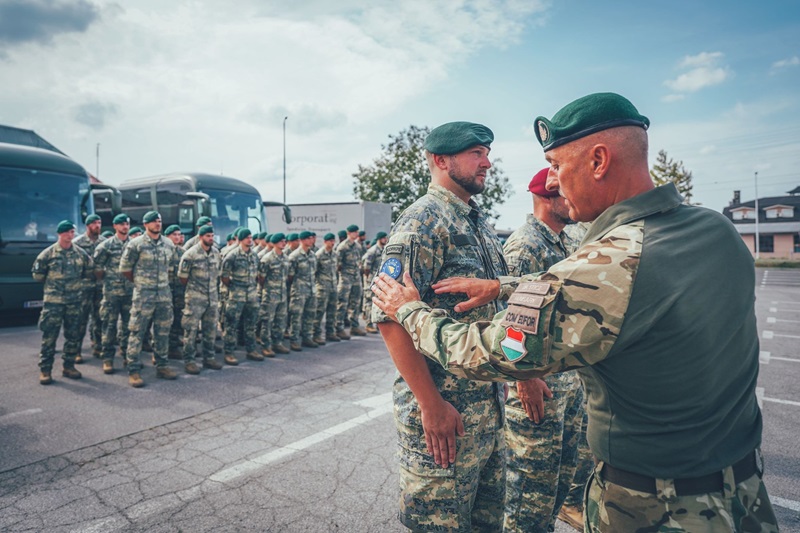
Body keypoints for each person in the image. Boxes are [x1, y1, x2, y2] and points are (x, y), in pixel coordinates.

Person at [372, 93, 779, 532]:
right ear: (440, 160)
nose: (553, 182)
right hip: (740, 495)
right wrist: (500, 291)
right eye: (477, 153)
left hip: (661, 508)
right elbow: (593, 289)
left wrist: (411, 309)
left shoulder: (615, 258)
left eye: (557, 166)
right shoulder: (716, 230)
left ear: (599, 160)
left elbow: (500, 344)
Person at [372, 121, 508, 531]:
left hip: (487, 412)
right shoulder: (423, 221)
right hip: (445, 414)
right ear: (440, 160)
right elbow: (389, 319)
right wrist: (430, 405)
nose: (487, 162)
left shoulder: (476, 221)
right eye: (476, 153)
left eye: (487, 153)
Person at [501, 168, 586, 532]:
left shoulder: (561, 240)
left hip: (565, 381)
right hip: (538, 385)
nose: (570, 200)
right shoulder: (525, 246)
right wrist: (525, 378)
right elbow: (510, 322)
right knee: (530, 490)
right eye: (564, 194)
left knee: (560, 477)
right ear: (546, 198)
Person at [120, 211, 179, 388]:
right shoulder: (135, 244)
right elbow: (125, 269)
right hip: (143, 296)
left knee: (162, 332)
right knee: (137, 333)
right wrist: (140, 283)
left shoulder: (168, 244)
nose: (157, 224)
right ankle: (134, 370)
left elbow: (171, 267)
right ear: (146, 224)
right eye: (153, 221)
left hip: (163, 296)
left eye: (159, 221)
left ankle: (162, 365)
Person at [31, 220, 94, 384]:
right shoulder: (48, 254)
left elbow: (89, 271)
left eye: (72, 232)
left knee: (73, 336)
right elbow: (37, 275)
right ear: (59, 234)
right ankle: (45, 370)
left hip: (74, 302)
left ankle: (69, 366)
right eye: (66, 232)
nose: (70, 235)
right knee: (49, 337)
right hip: (54, 303)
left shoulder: (80, 253)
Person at [178, 224, 223, 374]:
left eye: (212, 236)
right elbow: (182, 277)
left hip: (212, 297)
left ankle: (209, 358)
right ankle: (189, 361)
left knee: (210, 330)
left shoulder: (216, 253)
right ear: (200, 237)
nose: (211, 239)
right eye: (207, 236)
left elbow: (218, 274)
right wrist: (195, 290)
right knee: (190, 331)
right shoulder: (190, 254)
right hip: (195, 298)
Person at [93, 214, 134, 374]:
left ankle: (127, 356)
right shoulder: (106, 245)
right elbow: (97, 267)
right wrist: (107, 281)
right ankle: (108, 359)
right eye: (122, 224)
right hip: (111, 293)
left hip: (130, 293)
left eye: (127, 224)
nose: (125, 227)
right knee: (109, 326)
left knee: (128, 327)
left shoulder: (134, 245)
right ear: (115, 226)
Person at [220, 228, 263, 363]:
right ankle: (229, 353)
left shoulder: (254, 255)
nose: (250, 240)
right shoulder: (232, 256)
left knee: (251, 324)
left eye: (251, 237)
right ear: (241, 239)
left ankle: (251, 350)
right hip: (236, 295)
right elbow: (224, 276)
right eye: (247, 238)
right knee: (231, 325)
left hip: (251, 295)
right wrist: (234, 286)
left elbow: (257, 274)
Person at [73, 213, 106, 362]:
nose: (97, 226)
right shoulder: (77, 243)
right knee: (81, 319)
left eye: (99, 223)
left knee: (99, 318)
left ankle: (97, 346)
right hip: (83, 287)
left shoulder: (105, 242)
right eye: (94, 223)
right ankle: (76, 349)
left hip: (100, 286)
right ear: (88, 226)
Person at [258, 233, 290, 356]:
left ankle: (278, 343)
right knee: (267, 321)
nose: (284, 243)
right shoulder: (267, 259)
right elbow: (261, 278)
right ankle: (266, 346)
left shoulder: (285, 258)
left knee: (280, 320)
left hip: (282, 294)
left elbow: (286, 276)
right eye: (281, 241)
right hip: (270, 294)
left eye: (284, 241)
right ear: (275, 243)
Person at [286, 230, 318, 351]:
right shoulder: (294, 256)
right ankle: (294, 340)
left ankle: (307, 338)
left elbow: (315, 272)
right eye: (309, 238)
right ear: (303, 240)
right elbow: (290, 276)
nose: (311, 240)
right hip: (299, 290)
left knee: (310, 315)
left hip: (311, 290)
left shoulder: (312, 255)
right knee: (296, 316)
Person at [335, 224, 366, 339]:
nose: (356, 234)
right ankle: (339, 328)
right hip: (345, 277)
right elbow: (337, 264)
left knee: (356, 302)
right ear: (349, 233)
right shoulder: (342, 247)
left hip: (356, 277)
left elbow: (360, 260)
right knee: (342, 302)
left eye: (357, 232)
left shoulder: (358, 246)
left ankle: (354, 326)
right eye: (354, 232)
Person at [312, 232, 339, 344]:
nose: (332, 243)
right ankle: (316, 334)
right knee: (319, 311)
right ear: (325, 242)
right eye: (330, 241)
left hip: (333, 287)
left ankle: (330, 332)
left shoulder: (334, 254)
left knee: (332, 311)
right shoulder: (319, 255)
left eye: (333, 241)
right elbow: (314, 272)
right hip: (322, 288)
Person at [164, 225, 186, 359]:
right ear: (167, 237)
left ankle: (173, 346)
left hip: (178, 292)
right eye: (174, 235)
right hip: (164, 291)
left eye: (179, 234)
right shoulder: (162, 251)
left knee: (177, 319)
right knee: (163, 321)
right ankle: (159, 349)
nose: (177, 237)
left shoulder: (183, 253)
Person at [361, 231, 387, 334]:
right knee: (369, 302)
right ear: (379, 239)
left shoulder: (383, 250)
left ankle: (375, 323)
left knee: (377, 303)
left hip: (379, 280)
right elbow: (366, 268)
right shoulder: (372, 251)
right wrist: (368, 280)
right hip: (371, 281)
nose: (385, 240)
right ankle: (368, 324)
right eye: (384, 238)